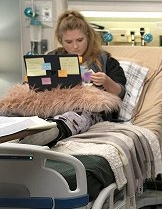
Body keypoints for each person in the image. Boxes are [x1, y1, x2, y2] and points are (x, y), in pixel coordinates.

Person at [21, 10, 126, 147]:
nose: (75, 46)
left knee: (79, 115)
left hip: (88, 109)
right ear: (61, 41)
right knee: (15, 108)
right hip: (53, 105)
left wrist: (107, 82)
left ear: (88, 36)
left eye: (79, 40)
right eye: (69, 42)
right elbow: (29, 84)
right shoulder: (52, 57)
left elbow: (121, 92)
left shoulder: (105, 60)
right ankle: (22, 130)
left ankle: (55, 130)